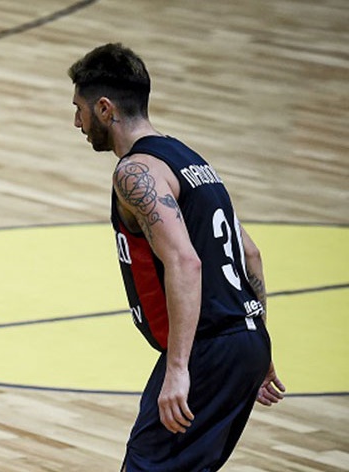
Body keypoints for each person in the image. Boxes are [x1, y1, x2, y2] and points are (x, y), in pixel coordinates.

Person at [67, 43, 286, 471]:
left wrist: (179, 368)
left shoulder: (136, 173)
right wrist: (256, 342)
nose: (77, 121)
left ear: (105, 109)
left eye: (80, 109)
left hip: (208, 348)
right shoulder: (190, 160)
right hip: (244, 340)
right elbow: (250, 254)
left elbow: (186, 262)